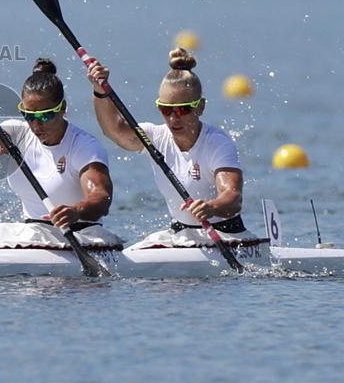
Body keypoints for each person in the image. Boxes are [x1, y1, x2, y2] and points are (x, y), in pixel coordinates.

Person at [87, 48, 256, 247]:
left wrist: (211, 207)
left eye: (183, 109)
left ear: (200, 107)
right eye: (166, 110)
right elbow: (113, 130)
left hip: (226, 234)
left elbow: (233, 198)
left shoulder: (218, 143)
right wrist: (99, 91)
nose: (173, 118)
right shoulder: (155, 137)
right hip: (182, 234)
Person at [0, 58, 121, 250]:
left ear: (62, 108)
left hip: (81, 234)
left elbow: (101, 198)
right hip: (33, 235)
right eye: (29, 115)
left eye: (45, 115)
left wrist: (76, 211)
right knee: (1, 231)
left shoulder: (84, 146)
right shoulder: (16, 135)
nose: (36, 125)